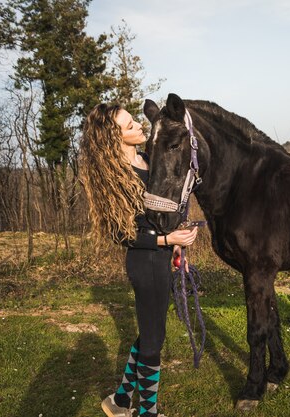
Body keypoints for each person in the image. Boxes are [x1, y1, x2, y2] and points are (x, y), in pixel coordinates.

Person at [79, 103, 198, 417]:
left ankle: (119, 401)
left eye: (134, 121)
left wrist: (175, 245)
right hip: (144, 263)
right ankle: (148, 412)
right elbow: (122, 234)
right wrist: (165, 240)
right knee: (153, 342)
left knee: (150, 332)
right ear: (113, 139)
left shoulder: (147, 159)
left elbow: (163, 211)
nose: (138, 127)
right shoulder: (113, 176)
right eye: (129, 126)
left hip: (162, 257)